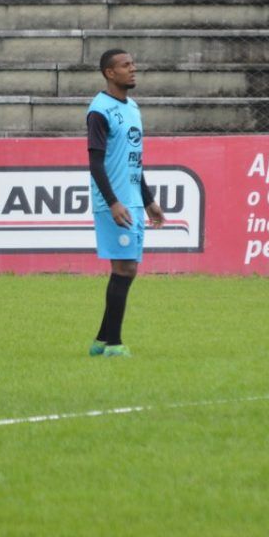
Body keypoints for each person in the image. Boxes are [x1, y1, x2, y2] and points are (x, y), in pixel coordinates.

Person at [86, 49, 164, 357]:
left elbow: (135, 160)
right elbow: (95, 163)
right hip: (113, 202)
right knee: (124, 266)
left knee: (127, 269)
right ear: (109, 73)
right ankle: (114, 345)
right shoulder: (99, 110)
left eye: (133, 63)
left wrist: (148, 200)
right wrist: (114, 201)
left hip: (131, 200)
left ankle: (102, 341)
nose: (133, 69)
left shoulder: (132, 107)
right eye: (125, 65)